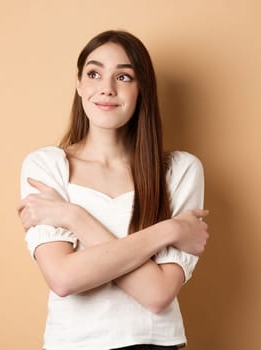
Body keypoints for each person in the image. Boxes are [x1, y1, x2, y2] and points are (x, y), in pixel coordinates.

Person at [17, 30, 209, 350]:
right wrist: (171, 229)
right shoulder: (46, 165)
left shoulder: (180, 170)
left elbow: (158, 295)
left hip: (155, 344)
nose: (106, 89)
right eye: (94, 74)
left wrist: (73, 217)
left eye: (123, 76)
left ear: (141, 89)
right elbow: (64, 279)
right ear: (79, 84)